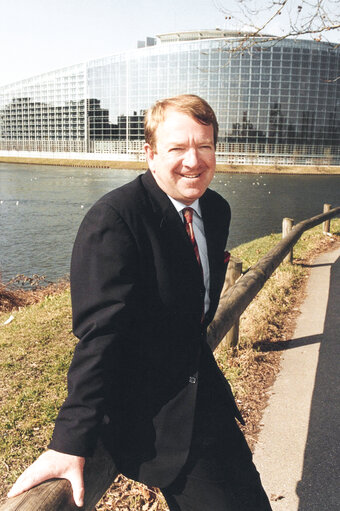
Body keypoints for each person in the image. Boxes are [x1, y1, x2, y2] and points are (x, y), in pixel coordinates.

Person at [8, 95, 272, 510]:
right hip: (156, 418)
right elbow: (100, 335)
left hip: (204, 394)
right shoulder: (115, 220)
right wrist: (69, 442)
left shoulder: (215, 209)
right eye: (177, 148)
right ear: (149, 154)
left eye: (205, 146)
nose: (194, 160)